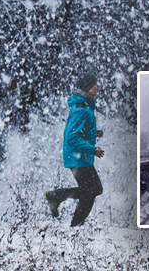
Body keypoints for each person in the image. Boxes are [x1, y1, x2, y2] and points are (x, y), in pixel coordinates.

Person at [45, 73, 104, 227]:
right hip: (78, 158)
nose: (97, 86)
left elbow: (79, 131)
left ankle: (56, 196)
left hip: (81, 157)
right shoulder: (81, 109)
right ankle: (75, 226)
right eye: (94, 85)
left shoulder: (85, 106)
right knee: (90, 192)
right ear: (87, 88)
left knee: (96, 189)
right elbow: (71, 137)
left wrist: (94, 133)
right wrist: (93, 150)